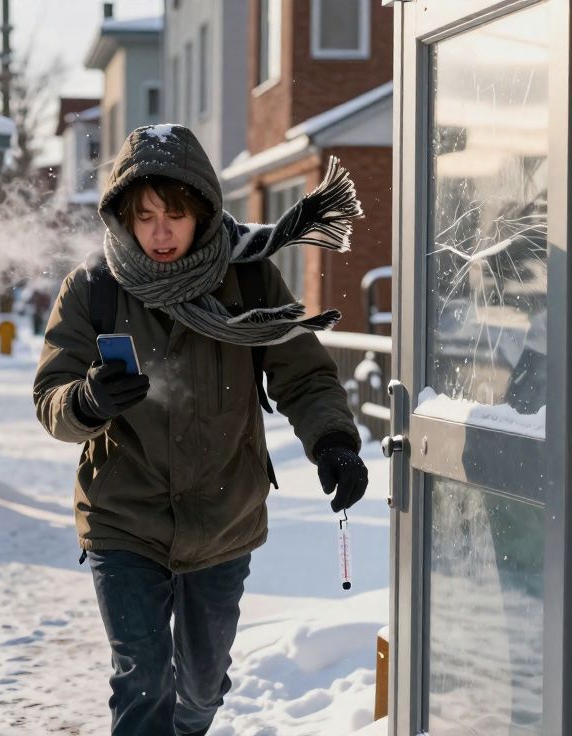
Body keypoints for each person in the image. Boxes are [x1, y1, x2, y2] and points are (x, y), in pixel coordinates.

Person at [33, 124, 369, 736]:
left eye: (176, 215)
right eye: (145, 216)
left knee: (200, 687)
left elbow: (303, 374)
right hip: (123, 516)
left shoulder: (247, 278)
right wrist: (89, 399)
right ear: (123, 218)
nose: (160, 233)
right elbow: (51, 399)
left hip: (223, 513)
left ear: (205, 213)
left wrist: (334, 443)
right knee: (143, 678)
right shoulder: (94, 287)